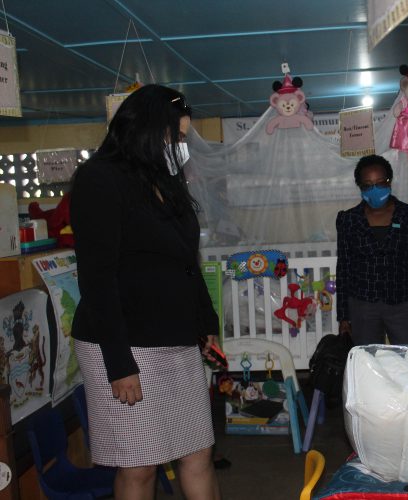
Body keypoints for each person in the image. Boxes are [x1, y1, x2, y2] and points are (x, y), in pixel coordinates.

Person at [70, 84, 220, 500]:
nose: (180, 146)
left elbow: (187, 261)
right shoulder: (99, 179)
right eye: (175, 137)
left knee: (198, 453)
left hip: (174, 339)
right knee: (139, 464)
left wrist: (204, 323)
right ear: (147, 132)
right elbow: (97, 279)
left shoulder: (166, 180)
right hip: (125, 344)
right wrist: (119, 363)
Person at [336, 154, 408, 346]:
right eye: (368, 185)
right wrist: (343, 316)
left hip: (402, 303)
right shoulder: (348, 219)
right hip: (363, 306)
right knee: (368, 364)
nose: (374, 189)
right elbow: (344, 268)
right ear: (360, 187)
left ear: (389, 181)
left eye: (380, 183)